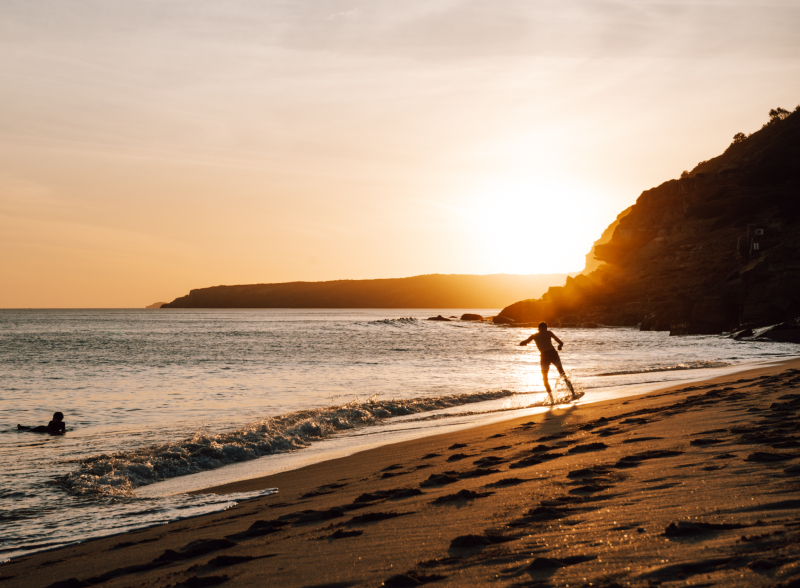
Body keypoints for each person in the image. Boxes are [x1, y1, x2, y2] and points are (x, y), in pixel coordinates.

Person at [519, 322, 574, 401]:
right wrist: (559, 346)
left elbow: (523, 342)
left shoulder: (534, 336)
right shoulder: (549, 333)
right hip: (553, 354)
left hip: (544, 356)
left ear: (538, 328)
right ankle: (573, 393)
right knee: (562, 373)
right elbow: (561, 342)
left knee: (545, 377)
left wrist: (524, 343)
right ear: (546, 328)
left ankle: (551, 398)